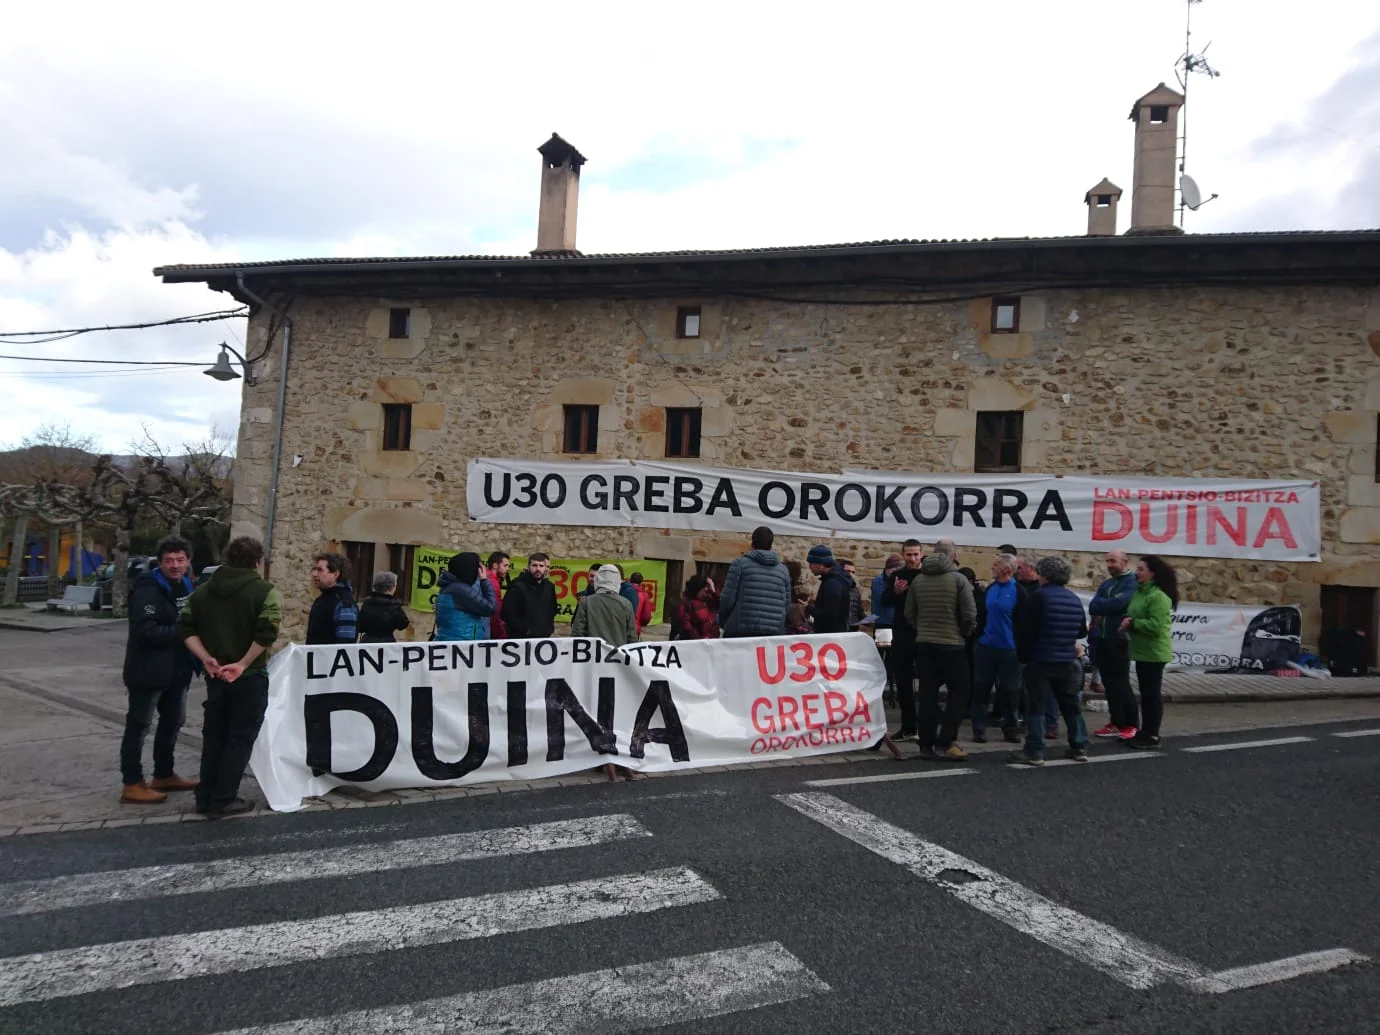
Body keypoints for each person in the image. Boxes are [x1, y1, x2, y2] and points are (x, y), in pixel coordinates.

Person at [178, 536, 282, 818]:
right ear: (257, 562)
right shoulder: (264, 592)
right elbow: (267, 632)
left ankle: (205, 795)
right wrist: (243, 663)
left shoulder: (202, 592)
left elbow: (186, 627)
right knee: (240, 738)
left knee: (215, 736)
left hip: (215, 675)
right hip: (249, 675)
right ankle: (224, 798)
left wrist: (206, 658)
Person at [118, 535, 200, 804]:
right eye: (169, 561)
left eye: (180, 560)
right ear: (160, 563)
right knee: (139, 726)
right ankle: (132, 783)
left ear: (188, 561)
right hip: (148, 671)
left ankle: (164, 774)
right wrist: (185, 631)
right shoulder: (147, 589)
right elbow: (146, 631)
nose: (175, 565)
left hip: (178, 670)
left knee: (172, 723)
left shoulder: (186, 585)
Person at [1010, 556, 1090, 766]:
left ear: (1043, 574)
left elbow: (1028, 631)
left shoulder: (1039, 597)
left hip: (1041, 658)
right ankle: (1079, 745)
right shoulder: (1073, 598)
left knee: (1036, 706)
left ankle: (1035, 750)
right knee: (1070, 704)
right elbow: (1081, 631)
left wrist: (1023, 657)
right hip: (1067, 659)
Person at [905, 539, 976, 761]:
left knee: (927, 694)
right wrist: (964, 633)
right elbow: (969, 614)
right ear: (953, 556)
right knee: (960, 691)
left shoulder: (919, 580)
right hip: (952, 644)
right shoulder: (958, 579)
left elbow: (909, 613)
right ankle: (946, 741)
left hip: (925, 643)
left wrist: (922, 629)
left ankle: (925, 744)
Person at [1121, 555, 1177, 750]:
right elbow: (1135, 612)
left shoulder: (1158, 597)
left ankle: (1152, 734)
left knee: (1151, 695)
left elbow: (1155, 625)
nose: (1136, 572)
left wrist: (1132, 624)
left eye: (1141, 569)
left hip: (1154, 652)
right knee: (1146, 694)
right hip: (1142, 651)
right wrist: (1129, 619)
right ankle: (1145, 731)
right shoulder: (1141, 592)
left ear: (1152, 573)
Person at [970, 553, 1024, 745]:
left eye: (996, 565)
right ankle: (978, 729)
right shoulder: (991, 589)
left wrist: (1020, 644)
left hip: (1009, 649)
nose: (992, 567)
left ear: (1006, 569)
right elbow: (981, 615)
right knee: (981, 688)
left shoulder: (1018, 591)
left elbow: (1024, 621)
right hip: (986, 646)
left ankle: (1010, 728)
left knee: (1010, 691)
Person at [1087, 549, 1140, 741]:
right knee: (1109, 684)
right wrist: (1108, 603)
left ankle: (1131, 724)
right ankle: (1116, 722)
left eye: (1113, 561)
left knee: (1121, 683)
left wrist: (1107, 604)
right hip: (1103, 638)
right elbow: (1093, 606)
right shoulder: (1107, 584)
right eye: (1108, 561)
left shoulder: (1131, 582)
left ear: (1125, 562)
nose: (1109, 565)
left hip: (1120, 639)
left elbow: (1120, 604)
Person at [882, 540, 924, 740]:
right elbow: (885, 600)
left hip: (923, 632)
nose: (913, 558)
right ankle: (908, 727)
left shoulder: (927, 575)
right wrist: (896, 592)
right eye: (909, 555)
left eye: (916, 554)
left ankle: (925, 727)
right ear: (903, 555)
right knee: (903, 681)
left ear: (921, 554)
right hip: (902, 633)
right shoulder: (898, 575)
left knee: (927, 682)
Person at [1015, 554, 1060, 739]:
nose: (1017, 571)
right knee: (1027, 689)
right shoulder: (1019, 587)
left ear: (1032, 569)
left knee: (1046, 690)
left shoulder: (1040, 592)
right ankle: (1030, 721)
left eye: (1020, 568)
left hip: (1043, 647)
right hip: (1030, 646)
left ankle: (1048, 725)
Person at [719, 525, 792, 637]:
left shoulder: (739, 565)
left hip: (740, 630)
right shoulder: (783, 571)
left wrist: (724, 621)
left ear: (752, 543)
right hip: (772, 632)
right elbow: (786, 605)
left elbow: (727, 599)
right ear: (771, 545)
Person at [435, 552, 497, 641]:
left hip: (452, 640)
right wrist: (484, 580)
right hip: (462, 643)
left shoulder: (449, 587)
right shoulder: (461, 590)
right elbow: (490, 608)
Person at [571, 564, 638, 644]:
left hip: (593, 650)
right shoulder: (626, 604)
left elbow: (577, 633)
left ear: (597, 579)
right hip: (617, 650)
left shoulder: (586, 602)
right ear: (617, 581)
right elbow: (632, 637)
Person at [500, 552, 558, 639]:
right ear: (528, 567)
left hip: (543, 637)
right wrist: (524, 629)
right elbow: (507, 613)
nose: (538, 569)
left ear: (545, 568)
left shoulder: (549, 587)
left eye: (541, 566)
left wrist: (548, 628)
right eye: (534, 565)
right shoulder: (518, 586)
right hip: (521, 638)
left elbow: (552, 609)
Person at [305, 552, 357, 645]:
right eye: (314, 569)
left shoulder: (344, 603)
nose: (314, 574)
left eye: (320, 570)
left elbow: (345, 643)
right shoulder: (322, 599)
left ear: (336, 574)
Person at [806, 545, 853, 635]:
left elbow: (829, 614)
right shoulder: (833, 578)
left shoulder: (833, 583)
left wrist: (808, 608)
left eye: (811, 563)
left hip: (830, 636)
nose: (809, 567)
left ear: (821, 564)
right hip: (833, 634)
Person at [357, 571, 411, 643]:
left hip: (367, 642)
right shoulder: (394, 605)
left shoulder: (367, 603)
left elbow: (360, 626)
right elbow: (403, 624)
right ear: (392, 587)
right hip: (387, 643)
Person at [670, 574, 720, 640]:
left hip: (711, 642)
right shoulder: (686, 604)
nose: (706, 592)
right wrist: (699, 640)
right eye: (704, 590)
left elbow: (718, 605)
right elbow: (686, 626)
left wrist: (714, 591)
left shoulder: (709, 602)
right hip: (697, 642)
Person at [486, 552, 511, 638]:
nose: (508, 569)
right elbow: (495, 614)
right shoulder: (492, 583)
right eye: (505, 566)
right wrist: (501, 635)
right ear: (495, 565)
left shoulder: (487, 578)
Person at [841, 559, 865, 632]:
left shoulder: (856, 591)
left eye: (853, 572)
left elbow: (860, 612)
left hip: (853, 629)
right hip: (839, 629)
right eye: (848, 571)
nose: (851, 574)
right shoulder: (836, 587)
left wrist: (870, 621)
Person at [629, 572, 655, 636]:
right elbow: (646, 616)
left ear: (630, 580)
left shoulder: (622, 590)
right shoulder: (644, 595)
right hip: (635, 628)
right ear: (641, 582)